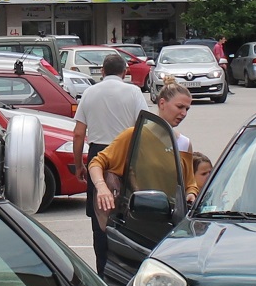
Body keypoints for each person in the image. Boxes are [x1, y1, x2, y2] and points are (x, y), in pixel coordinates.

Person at [88, 79, 208, 237]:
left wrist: (191, 194)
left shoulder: (184, 143)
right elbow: (96, 163)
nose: (184, 113)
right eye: (180, 107)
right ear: (162, 103)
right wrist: (102, 187)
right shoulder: (134, 136)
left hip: (172, 225)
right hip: (139, 223)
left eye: (187, 109)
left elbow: (189, 183)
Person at [74, 55, 149, 275]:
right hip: (126, 154)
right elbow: (145, 128)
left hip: (98, 155)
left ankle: (103, 271)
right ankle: (128, 269)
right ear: (125, 72)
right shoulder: (134, 92)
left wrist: (79, 165)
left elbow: (78, 133)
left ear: (102, 71)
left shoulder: (89, 93)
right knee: (128, 213)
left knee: (99, 218)